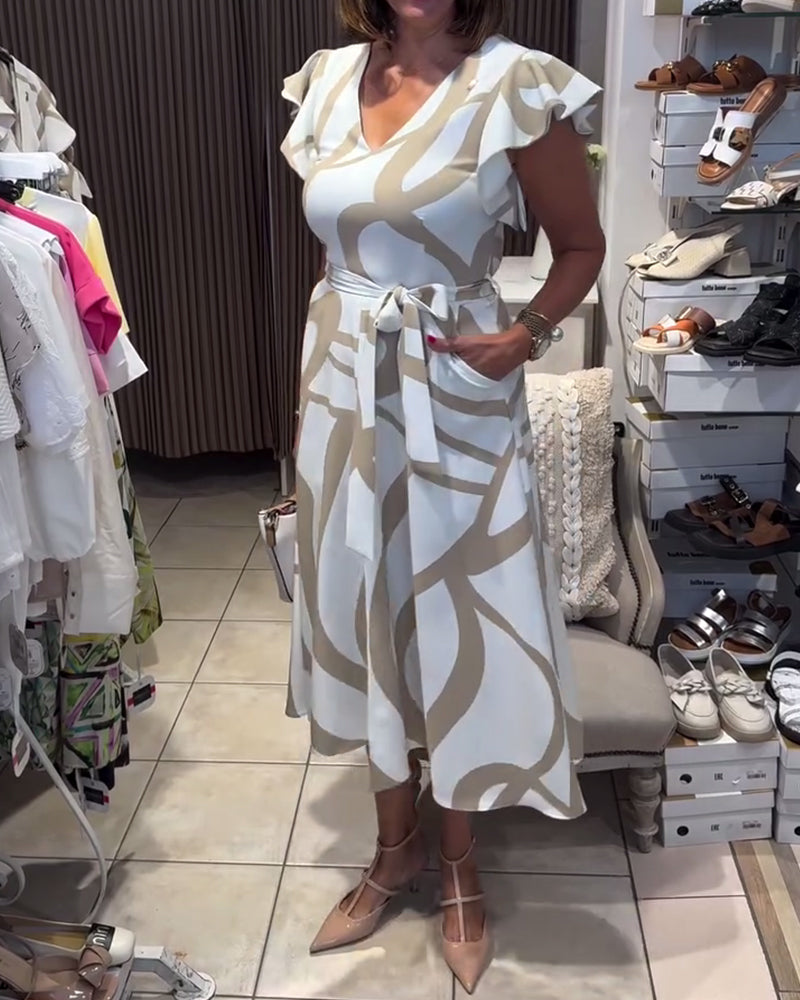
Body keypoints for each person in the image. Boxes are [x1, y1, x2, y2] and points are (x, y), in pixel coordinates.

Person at [280, 0, 605, 991]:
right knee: (364, 604)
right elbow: (340, 250)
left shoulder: (516, 82)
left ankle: (458, 859)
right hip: (343, 384)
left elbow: (580, 246)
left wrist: (527, 336)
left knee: (457, 618)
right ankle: (394, 847)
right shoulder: (326, 80)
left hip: (456, 389)